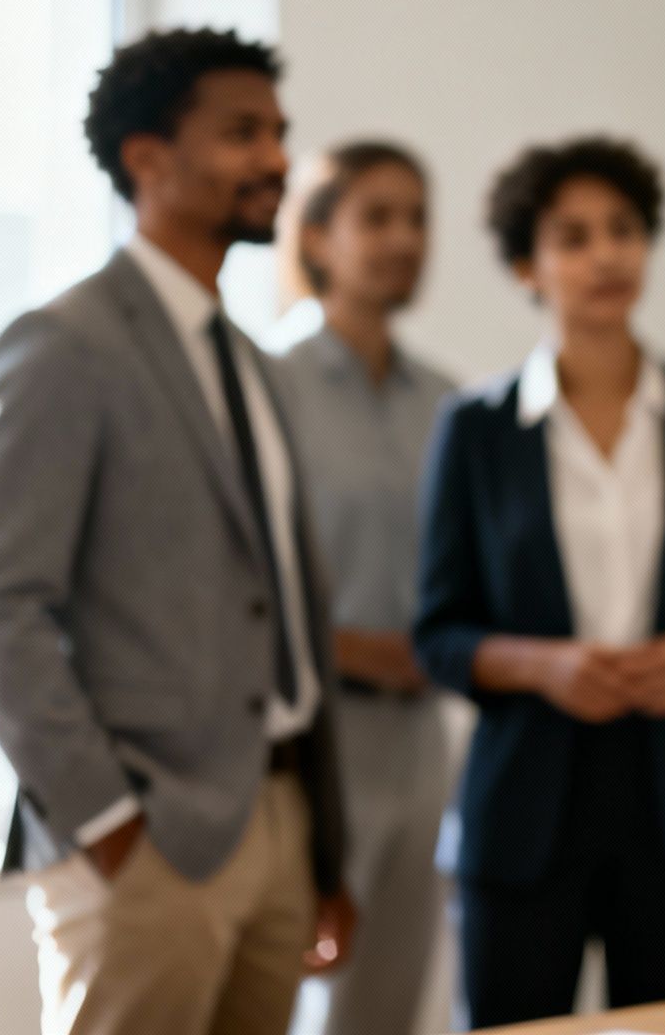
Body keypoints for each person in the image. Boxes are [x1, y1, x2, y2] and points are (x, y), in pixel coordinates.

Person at [0, 27, 354, 1035]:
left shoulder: (252, 365)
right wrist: (109, 823)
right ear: (147, 157)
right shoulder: (63, 345)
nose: (274, 160)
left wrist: (319, 848)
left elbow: (286, 612)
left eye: (278, 134)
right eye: (241, 133)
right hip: (148, 838)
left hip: (280, 818)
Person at [413, 136, 665, 1028]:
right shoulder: (474, 430)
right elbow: (438, 633)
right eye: (573, 237)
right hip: (524, 804)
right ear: (526, 267)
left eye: (623, 230)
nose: (606, 255)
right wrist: (545, 667)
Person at [272, 141, 458, 1035]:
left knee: (388, 1010)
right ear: (316, 236)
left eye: (417, 217)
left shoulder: (448, 404)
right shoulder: (270, 385)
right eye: (376, 216)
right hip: (312, 744)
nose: (404, 238)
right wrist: (355, 647)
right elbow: (240, 586)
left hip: (424, 747)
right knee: (294, 1006)